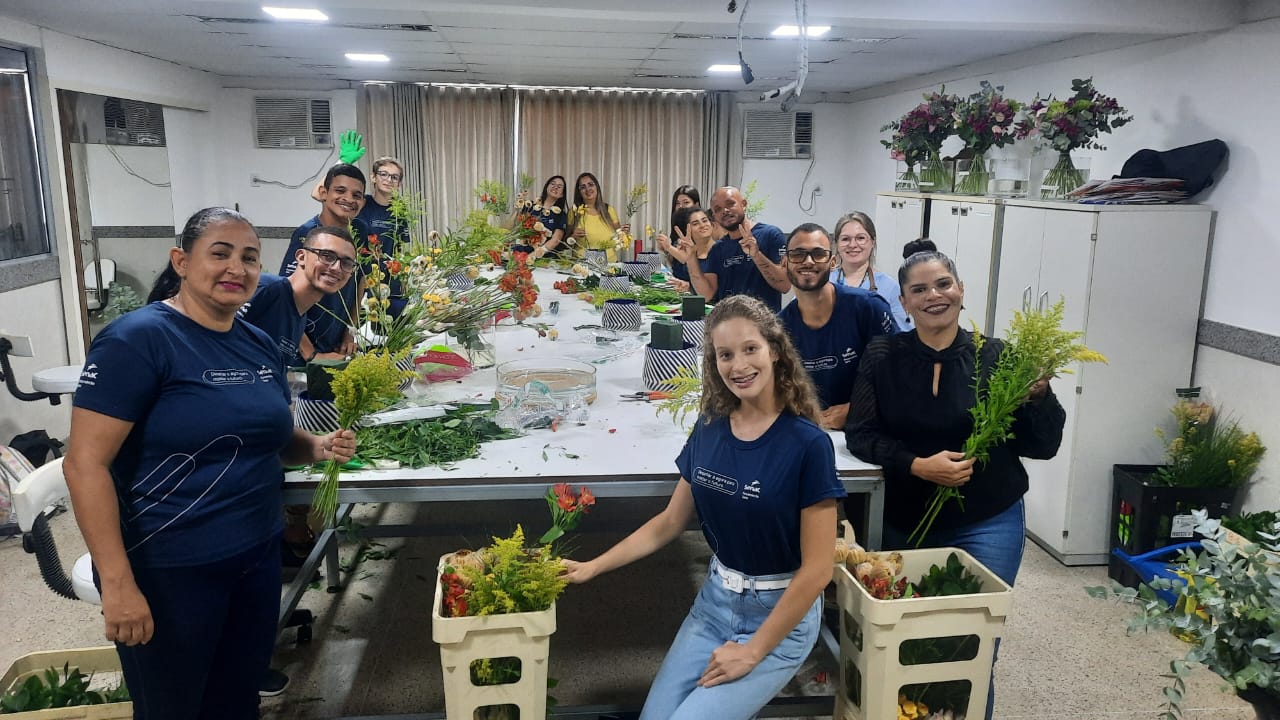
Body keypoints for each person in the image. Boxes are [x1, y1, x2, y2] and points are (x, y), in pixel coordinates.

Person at [65, 207, 356, 719]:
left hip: (255, 557)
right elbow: (84, 464)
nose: (236, 269)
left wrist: (314, 445)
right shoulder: (138, 340)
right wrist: (117, 582)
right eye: (219, 254)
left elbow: (270, 435)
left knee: (237, 700)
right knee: (174, 707)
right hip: (172, 567)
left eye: (248, 258)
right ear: (181, 260)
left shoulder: (258, 344)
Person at [563, 295, 844, 720]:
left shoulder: (808, 445)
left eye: (750, 349)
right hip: (715, 603)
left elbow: (818, 569)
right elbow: (670, 522)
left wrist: (752, 652)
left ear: (775, 349)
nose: (739, 365)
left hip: (779, 617)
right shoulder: (710, 426)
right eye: (725, 355)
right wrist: (593, 566)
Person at [843, 241, 1065, 720]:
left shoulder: (1000, 357)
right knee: (904, 637)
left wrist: (1040, 396)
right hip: (907, 518)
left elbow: (1043, 446)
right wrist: (917, 464)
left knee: (973, 639)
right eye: (918, 289)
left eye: (943, 284)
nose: (933, 296)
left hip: (988, 518)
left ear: (962, 291)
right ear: (903, 302)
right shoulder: (883, 355)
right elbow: (861, 434)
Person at [778, 223, 897, 431]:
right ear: (785, 262)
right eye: (797, 254)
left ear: (833, 262)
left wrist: (857, 408)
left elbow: (899, 374)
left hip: (870, 430)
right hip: (811, 431)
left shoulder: (868, 308)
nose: (808, 261)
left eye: (818, 254)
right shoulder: (780, 327)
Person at [280, 163, 369, 366]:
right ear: (323, 193)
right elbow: (285, 298)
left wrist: (350, 332)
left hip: (336, 344)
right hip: (302, 350)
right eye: (340, 190)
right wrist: (311, 354)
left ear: (363, 202)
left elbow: (360, 282)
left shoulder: (361, 231)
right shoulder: (307, 235)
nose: (348, 199)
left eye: (356, 195)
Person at [239, 225, 356, 368]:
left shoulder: (299, 318)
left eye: (347, 263)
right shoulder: (266, 289)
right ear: (301, 257)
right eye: (326, 256)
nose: (336, 267)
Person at [673, 186, 790, 311]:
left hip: (762, 326)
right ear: (714, 216)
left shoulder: (770, 235)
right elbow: (706, 295)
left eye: (730, 204)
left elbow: (784, 285)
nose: (725, 211)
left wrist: (756, 255)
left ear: (743, 204)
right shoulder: (718, 249)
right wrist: (691, 258)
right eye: (718, 209)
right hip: (726, 323)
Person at [830, 211, 911, 330]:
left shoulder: (889, 287)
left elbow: (902, 333)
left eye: (860, 238)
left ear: (872, 242)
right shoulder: (823, 282)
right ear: (836, 244)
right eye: (845, 239)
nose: (852, 245)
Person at [357, 157, 408, 317]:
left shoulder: (400, 209)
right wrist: (342, 161)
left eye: (394, 177)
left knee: (393, 325)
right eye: (383, 174)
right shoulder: (362, 203)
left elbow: (402, 246)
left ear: (398, 183)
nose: (388, 180)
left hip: (391, 279)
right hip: (363, 277)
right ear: (373, 177)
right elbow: (322, 195)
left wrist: (405, 277)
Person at [566, 172, 629, 262]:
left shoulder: (609, 210)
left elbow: (620, 237)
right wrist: (573, 237)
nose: (587, 189)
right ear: (579, 192)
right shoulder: (574, 212)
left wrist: (625, 232)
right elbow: (566, 242)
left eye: (590, 185)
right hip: (583, 266)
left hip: (609, 264)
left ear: (597, 187)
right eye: (583, 187)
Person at [656, 206, 715, 294]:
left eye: (705, 220)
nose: (702, 225)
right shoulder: (690, 252)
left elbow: (714, 290)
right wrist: (688, 286)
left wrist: (690, 287)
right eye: (695, 223)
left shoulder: (720, 250)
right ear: (688, 230)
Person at [518, 175, 569, 259]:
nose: (555, 187)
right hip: (520, 252)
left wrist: (531, 257)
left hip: (544, 259)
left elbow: (555, 240)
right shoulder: (529, 205)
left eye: (559, 187)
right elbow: (514, 228)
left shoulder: (561, 215)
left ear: (562, 194)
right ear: (546, 187)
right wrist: (516, 209)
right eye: (553, 184)